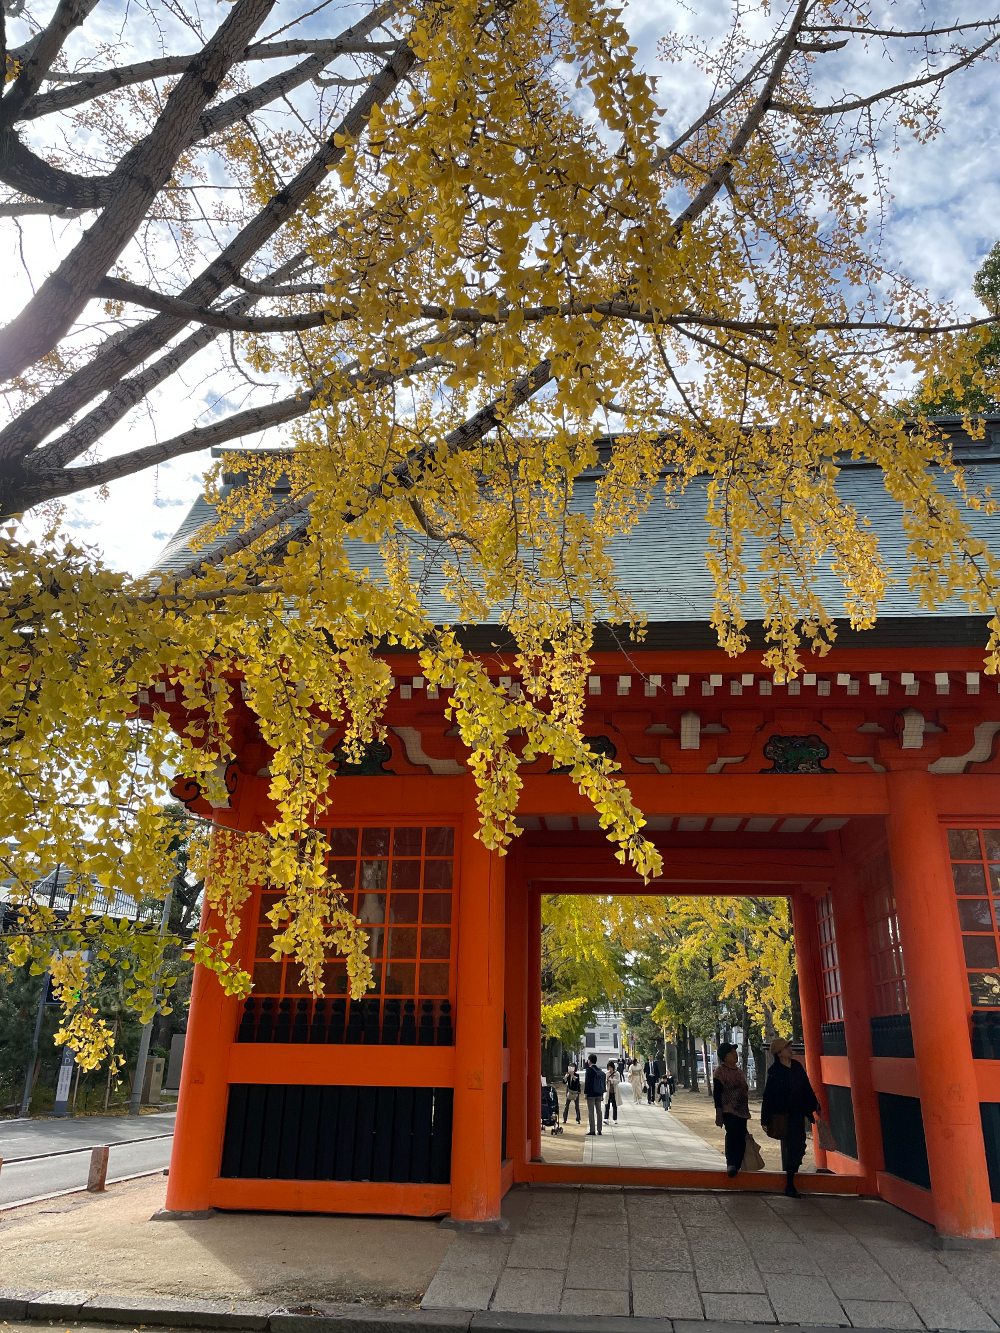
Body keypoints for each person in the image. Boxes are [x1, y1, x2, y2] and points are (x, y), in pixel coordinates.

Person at [761, 1036, 820, 1197]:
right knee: (791, 1146)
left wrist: (814, 1104)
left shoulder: (797, 1067)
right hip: (783, 1115)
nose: (790, 1050)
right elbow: (768, 1096)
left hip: (798, 1114)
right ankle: (790, 1183)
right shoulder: (775, 1071)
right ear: (779, 1053)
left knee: (799, 1146)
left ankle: (791, 1176)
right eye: (786, 1048)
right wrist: (765, 1119)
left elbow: (807, 1087)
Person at [713, 1041, 751, 1178]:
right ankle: (731, 1164)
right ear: (724, 1056)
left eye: (735, 1051)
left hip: (742, 1110)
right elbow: (717, 1093)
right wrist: (718, 1111)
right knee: (732, 1135)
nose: (735, 1054)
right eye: (731, 1052)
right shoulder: (720, 1072)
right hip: (729, 1109)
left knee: (741, 1137)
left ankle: (738, 1164)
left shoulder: (739, 1071)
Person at [584, 1052, 606, 1135]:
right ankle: (599, 1129)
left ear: (589, 1061)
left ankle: (592, 1130)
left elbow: (587, 1083)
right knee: (599, 1111)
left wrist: (585, 1093)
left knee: (591, 1111)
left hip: (591, 1093)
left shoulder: (589, 1070)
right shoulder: (599, 1070)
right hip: (599, 1093)